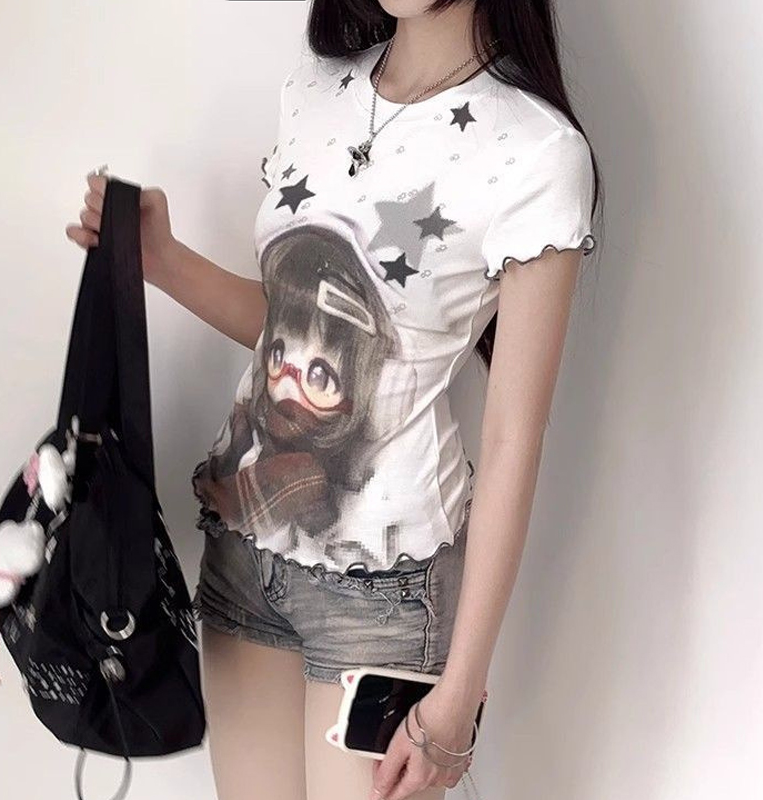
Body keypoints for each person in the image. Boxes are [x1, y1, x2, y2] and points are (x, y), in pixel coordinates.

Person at [66, 1, 602, 798]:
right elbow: (294, 335)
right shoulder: (317, 89)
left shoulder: (537, 152)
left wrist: (459, 693)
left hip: (385, 589)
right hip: (244, 546)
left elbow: (514, 443)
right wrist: (164, 260)